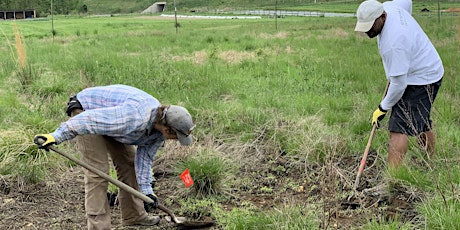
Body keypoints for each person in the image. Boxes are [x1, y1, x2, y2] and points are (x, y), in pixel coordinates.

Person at [33, 84, 195, 229]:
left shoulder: (158, 134)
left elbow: (144, 159)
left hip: (110, 118)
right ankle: (99, 226)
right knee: (98, 172)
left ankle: (134, 215)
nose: (176, 141)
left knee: (129, 163)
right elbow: (89, 120)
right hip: (87, 111)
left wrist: (147, 192)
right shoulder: (133, 118)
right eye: (177, 137)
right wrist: (56, 136)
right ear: (168, 129)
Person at [354, 0, 443, 169]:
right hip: (428, 68)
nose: (367, 31)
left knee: (398, 128)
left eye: (370, 26)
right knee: (421, 121)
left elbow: (398, 84)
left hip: (421, 78)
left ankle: (394, 178)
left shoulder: (394, 42)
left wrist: (382, 108)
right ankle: (430, 163)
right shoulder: (391, 7)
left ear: (382, 16)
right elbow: (407, 2)